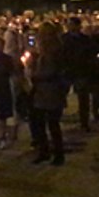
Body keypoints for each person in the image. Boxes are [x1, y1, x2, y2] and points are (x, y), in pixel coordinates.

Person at [28, 22, 68, 165]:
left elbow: (52, 72)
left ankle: (57, 154)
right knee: (40, 122)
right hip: (43, 92)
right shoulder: (43, 52)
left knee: (52, 124)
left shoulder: (54, 52)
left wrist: (36, 76)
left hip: (50, 92)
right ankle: (45, 151)